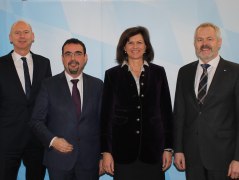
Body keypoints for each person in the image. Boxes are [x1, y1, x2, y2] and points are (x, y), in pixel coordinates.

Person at [101, 26, 173, 180]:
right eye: (130, 43)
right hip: (122, 153)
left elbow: (166, 111)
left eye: (139, 42)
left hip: (153, 151)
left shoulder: (159, 72)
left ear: (146, 46)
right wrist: (106, 152)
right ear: (124, 48)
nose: (135, 47)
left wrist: (168, 148)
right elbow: (106, 116)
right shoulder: (112, 75)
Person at [29, 38, 104, 180]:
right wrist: (53, 140)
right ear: (62, 58)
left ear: (85, 57)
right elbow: (36, 121)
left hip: (89, 163)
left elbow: (103, 123)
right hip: (58, 162)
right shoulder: (48, 85)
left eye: (78, 53)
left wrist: (102, 156)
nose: (73, 58)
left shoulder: (98, 85)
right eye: (68, 54)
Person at [173, 22, 239, 180]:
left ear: (219, 42)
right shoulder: (185, 72)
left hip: (225, 156)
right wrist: (178, 149)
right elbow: (179, 114)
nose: (204, 44)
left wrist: (238, 158)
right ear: (194, 43)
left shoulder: (235, 72)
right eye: (199, 39)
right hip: (192, 155)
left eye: (209, 39)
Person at [0, 20, 52, 180]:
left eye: (25, 32)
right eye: (17, 32)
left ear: (33, 36)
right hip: (7, 140)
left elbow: (48, 101)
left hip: (37, 139)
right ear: (10, 38)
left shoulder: (44, 63)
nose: (22, 36)